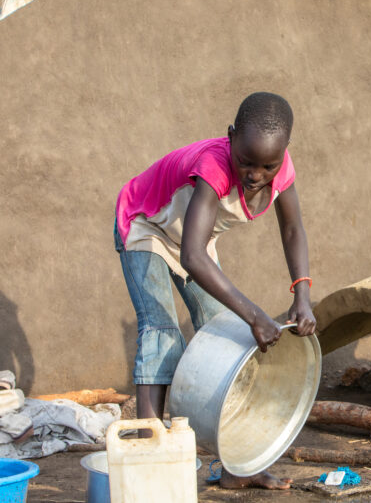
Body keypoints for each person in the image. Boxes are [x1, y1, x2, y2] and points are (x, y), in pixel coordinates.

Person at [114, 92, 314, 490]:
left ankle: (241, 465)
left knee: (228, 334)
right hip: (145, 227)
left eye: (267, 166)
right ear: (230, 137)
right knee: (161, 332)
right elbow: (192, 256)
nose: (256, 174)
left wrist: (302, 296)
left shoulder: (281, 170)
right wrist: (256, 314)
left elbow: (292, 230)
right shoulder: (213, 165)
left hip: (193, 239)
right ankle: (149, 463)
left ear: (284, 154)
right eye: (246, 162)